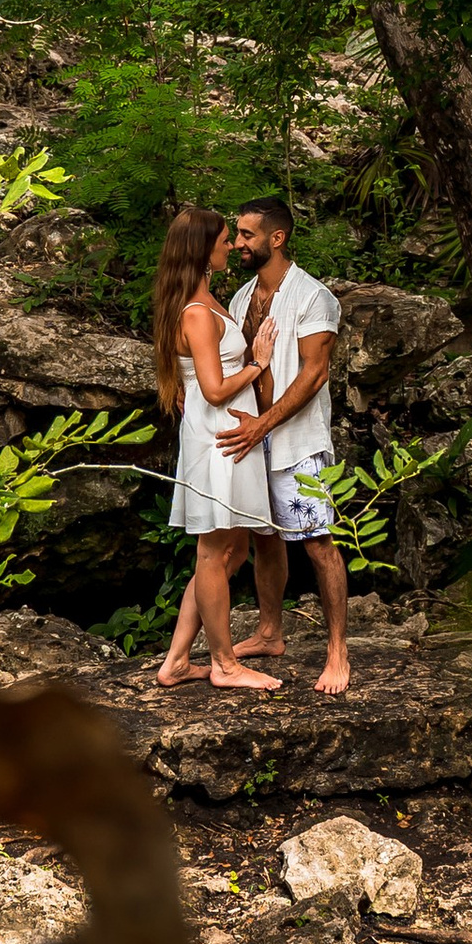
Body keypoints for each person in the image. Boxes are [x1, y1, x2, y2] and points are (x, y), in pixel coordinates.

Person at [220, 194, 350, 697]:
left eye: (247, 235)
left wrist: (265, 424)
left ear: (277, 238)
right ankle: (270, 633)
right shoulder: (240, 298)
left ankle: (338, 650)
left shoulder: (314, 297)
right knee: (265, 540)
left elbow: (315, 373)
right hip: (252, 437)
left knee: (317, 542)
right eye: (236, 234)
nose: (237, 243)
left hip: (297, 441)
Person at [148, 202, 281, 693]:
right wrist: (258, 362)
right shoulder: (198, 313)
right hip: (218, 437)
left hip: (225, 435)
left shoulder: (208, 302)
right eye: (225, 238)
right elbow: (214, 389)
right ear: (204, 248)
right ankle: (224, 664)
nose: (232, 245)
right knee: (213, 550)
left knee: (232, 548)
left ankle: (177, 661)